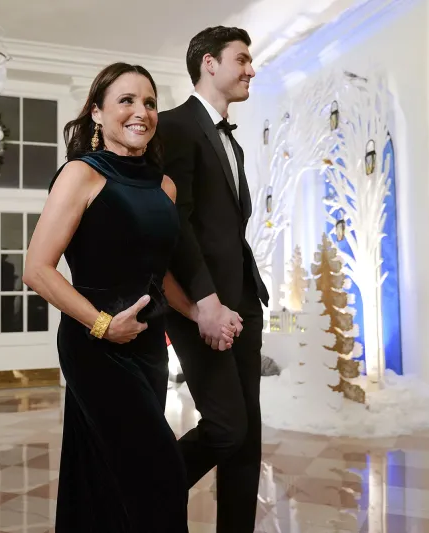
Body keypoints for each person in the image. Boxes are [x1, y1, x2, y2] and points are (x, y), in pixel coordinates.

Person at [24, 62, 231, 532]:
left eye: (150, 102)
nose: (142, 112)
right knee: (160, 471)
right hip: (94, 346)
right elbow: (36, 269)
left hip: (147, 344)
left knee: (104, 473)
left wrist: (201, 313)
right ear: (97, 113)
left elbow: (160, 278)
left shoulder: (164, 186)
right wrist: (102, 324)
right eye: (127, 101)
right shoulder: (81, 174)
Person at [158, 26, 270, 533]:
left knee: (249, 433)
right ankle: (140, 492)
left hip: (244, 299)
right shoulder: (174, 127)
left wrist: (246, 296)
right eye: (242, 59)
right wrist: (204, 301)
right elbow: (175, 222)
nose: (250, 69)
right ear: (208, 63)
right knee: (227, 427)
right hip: (202, 302)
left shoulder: (233, 142)